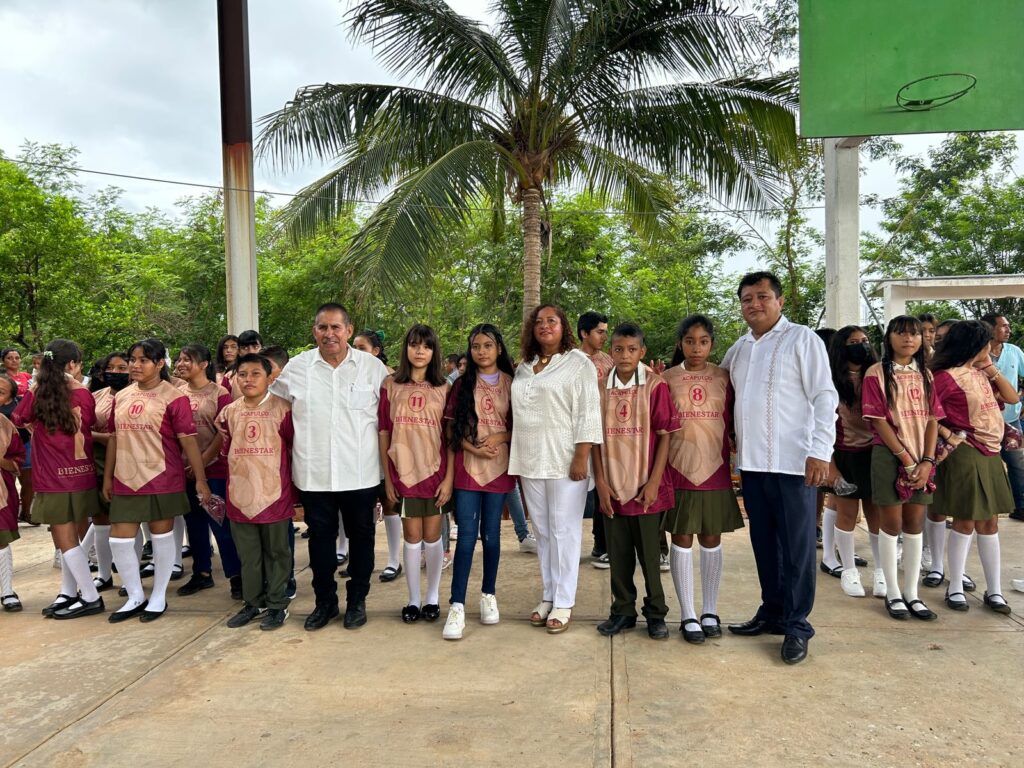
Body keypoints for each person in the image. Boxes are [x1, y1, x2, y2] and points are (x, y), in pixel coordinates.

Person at [721, 272, 838, 665]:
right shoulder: (739, 349)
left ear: (780, 300)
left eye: (762, 296)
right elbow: (717, 384)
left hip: (794, 464)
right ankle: (772, 611)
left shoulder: (802, 339)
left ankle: (797, 625)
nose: (754, 304)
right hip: (752, 465)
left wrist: (820, 452)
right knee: (764, 545)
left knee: (797, 548)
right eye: (747, 298)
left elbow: (825, 396)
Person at [271, 303, 389, 631]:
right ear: (314, 332)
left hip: (361, 472)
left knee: (362, 539)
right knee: (320, 541)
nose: (329, 334)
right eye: (323, 327)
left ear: (349, 330)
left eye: (336, 327)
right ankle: (325, 603)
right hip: (315, 474)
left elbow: (389, 415)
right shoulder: (297, 368)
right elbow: (272, 407)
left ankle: (357, 601)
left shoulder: (372, 368)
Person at [102, 338, 211, 623]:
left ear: (160, 363)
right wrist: (108, 477)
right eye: (132, 360)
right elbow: (114, 439)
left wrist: (200, 479)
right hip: (126, 477)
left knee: (161, 537)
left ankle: (159, 596)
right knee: (119, 539)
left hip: (162, 476)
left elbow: (188, 442)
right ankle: (135, 596)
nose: (135, 366)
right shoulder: (122, 396)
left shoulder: (174, 397)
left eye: (143, 360)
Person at [509, 304, 602, 634]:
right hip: (530, 461)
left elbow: (589, 413)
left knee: (565, 531)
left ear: (564, 327)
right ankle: (549, 594)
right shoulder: (524, 367)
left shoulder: (578, 363)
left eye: (552, 321)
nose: (545, 326)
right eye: (539, 321)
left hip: (565, 461)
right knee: (544, 532)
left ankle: (564, 601)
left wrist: (581, 456)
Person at [593, 323, 678, 641]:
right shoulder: (600, 387)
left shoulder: (655, 386)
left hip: (645, 488)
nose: (625, 355)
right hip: (613, 486)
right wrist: (601, 483)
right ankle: (623, 611)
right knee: (618, 556)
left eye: (632, 349)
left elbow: (665, 436)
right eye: (618, 349)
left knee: (650, 558)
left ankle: (656, 613)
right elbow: (594, 439)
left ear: (642, 351)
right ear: (610, 351)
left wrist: (654, 482)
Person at [663, 315, 744, 643]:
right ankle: (688, 614)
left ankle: (710, 610)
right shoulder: (667, 379)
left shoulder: (724, 377)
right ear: (680, 344)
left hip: (715, 468)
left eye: (703, 341)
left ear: (712, 344)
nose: (696, 348)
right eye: (690, 341)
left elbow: (735, 420)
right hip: (679, 467)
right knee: (681, 538)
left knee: (711, 537)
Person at [12, 339, 104, 619]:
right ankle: (68, 592)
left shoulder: (39, 391)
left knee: (64, 539)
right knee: (72, 537)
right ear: (72, 364)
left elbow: (19, 417)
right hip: (82, 472)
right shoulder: (84, 393)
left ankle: (90, 597)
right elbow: (90, 422)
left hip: (53, 476)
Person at [931, 320, 1018, 615]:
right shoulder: (945, 377)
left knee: (990, 522)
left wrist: (989, 367)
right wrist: (948, 435)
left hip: (990, 451)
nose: (990, 348)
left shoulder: (981, 373)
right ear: (974, 345)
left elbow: (1012, 397)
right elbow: (927, 415)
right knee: (965, 520)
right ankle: (955, 585)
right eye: (986, 343)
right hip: (966, 450)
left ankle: (994, 590)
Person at [861, 316, 940, 621]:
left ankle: (912, 593)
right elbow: (879, 421)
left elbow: (933, 420)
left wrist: (927, 461)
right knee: (891, 524)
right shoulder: (877, 373)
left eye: (915, 334)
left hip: (922, 457)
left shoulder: (926, 375)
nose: (909, 339)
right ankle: (893, 592)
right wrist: (906, 460)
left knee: (915, 524)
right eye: (901, 333)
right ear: (889, 338)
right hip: (889, 455)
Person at [442, 324, 515, 640]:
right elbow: (450, 430)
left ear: (499, 348)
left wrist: (499, 437)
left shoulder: (513, 383)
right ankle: (456, 605)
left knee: (492, 536)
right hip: (468, 469)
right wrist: (473, 448)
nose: (481, 351)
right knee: (467, 537)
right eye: (475, 346)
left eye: (487, 345)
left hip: (499, 467)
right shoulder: (461, 384)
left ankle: (488, 594)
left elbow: (520, 426)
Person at [378, 324, 453, 623]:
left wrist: (449, 479)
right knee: (411, 537)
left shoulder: (444, 387)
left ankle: (432, 598)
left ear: (434, 351)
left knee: (432, 537)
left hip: (435, 473)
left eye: (426, 345)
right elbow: (384, 432)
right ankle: (412, 600)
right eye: (414, 344)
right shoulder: (390, 385)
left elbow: (451, 437)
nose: (420, 351)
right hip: (403, 473)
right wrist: (388, 477)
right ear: (406, 348)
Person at [219, 354, 296, 630]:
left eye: (255, 374)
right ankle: (253, 602)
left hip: (274, 493)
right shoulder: (229, 412)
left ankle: (277, 604)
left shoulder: (283, 409)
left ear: (269, 378)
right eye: (242, 374)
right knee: (248, 555)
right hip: (240, 494)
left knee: (277, 552)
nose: (248, 380)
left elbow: (293, 450)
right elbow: (225, 450)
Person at [173, 344, 242, 601]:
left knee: (221, 524)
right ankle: (201, 573)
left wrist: (200, 462)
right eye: (179, 359)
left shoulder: (219, 393)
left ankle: (236, 576)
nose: (181, 364)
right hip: (185, 470)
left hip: (215, 469)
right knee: (194, 524)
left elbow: (223, 433)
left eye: (187, 360)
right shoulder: (176, 394)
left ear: (203, 364)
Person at [827, 326, 885, 599]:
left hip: (876, 452)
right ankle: (848, 570)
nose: (861, 346)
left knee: (877, 514)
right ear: (842, 347)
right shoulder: (831, 380)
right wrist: (831, 466)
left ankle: (882, 570)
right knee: (847, 514)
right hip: (845, 453)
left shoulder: (879, 375)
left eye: (864, 340)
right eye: (853, 342)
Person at [352, 330, 404, 582]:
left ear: (376, 351)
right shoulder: (349, 372)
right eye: (354, 347)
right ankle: (362, 560)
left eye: (361, 348)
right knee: (362, 509)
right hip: (357, 451)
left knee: (390, 503)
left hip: (384, 448)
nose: (356, 352)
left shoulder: (388, 377)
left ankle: (394, 560)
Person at [86, 352, 132, 593]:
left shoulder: (136, 397)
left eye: (122, 368)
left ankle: (130, 578)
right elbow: (81, 427)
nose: (115, 372)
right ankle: (104, 574)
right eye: (110, 368)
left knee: (127, 521)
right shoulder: (95, 396)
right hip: (98, 461)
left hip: (128, 461)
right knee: (100, 520)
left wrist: (103, 438)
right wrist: (102, 438)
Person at [979, 313, 1024, 522]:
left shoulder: (1014, 351)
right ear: (989, 328)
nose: (1008, 330)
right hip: (983, 424)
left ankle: (1020, 507)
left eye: (1008, 326)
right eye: (1003, 326)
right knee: (989, 467)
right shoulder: (976, 354)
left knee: (1018, 464)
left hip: (1011, 421)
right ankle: (988, 509)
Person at [577, 311, 612, 568]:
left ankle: (603, 544)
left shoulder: (609, 361)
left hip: (606, 435)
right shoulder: (570, 361)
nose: (604, 337)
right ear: (584, 333)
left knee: (604, 487)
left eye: (605, 332)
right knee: (577, 488)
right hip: (577, 436)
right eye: (600, 332)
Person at [0, 408, 25, 611]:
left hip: (0, 493)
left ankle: (7, 591)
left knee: (1, 539)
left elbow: (17, 460)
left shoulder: (3, 424)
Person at [0, 373, 33, 526]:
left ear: (10, 397)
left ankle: (25, 512)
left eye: (1, 392)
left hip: (22, 445)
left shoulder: (19, 404)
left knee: (27, 482)